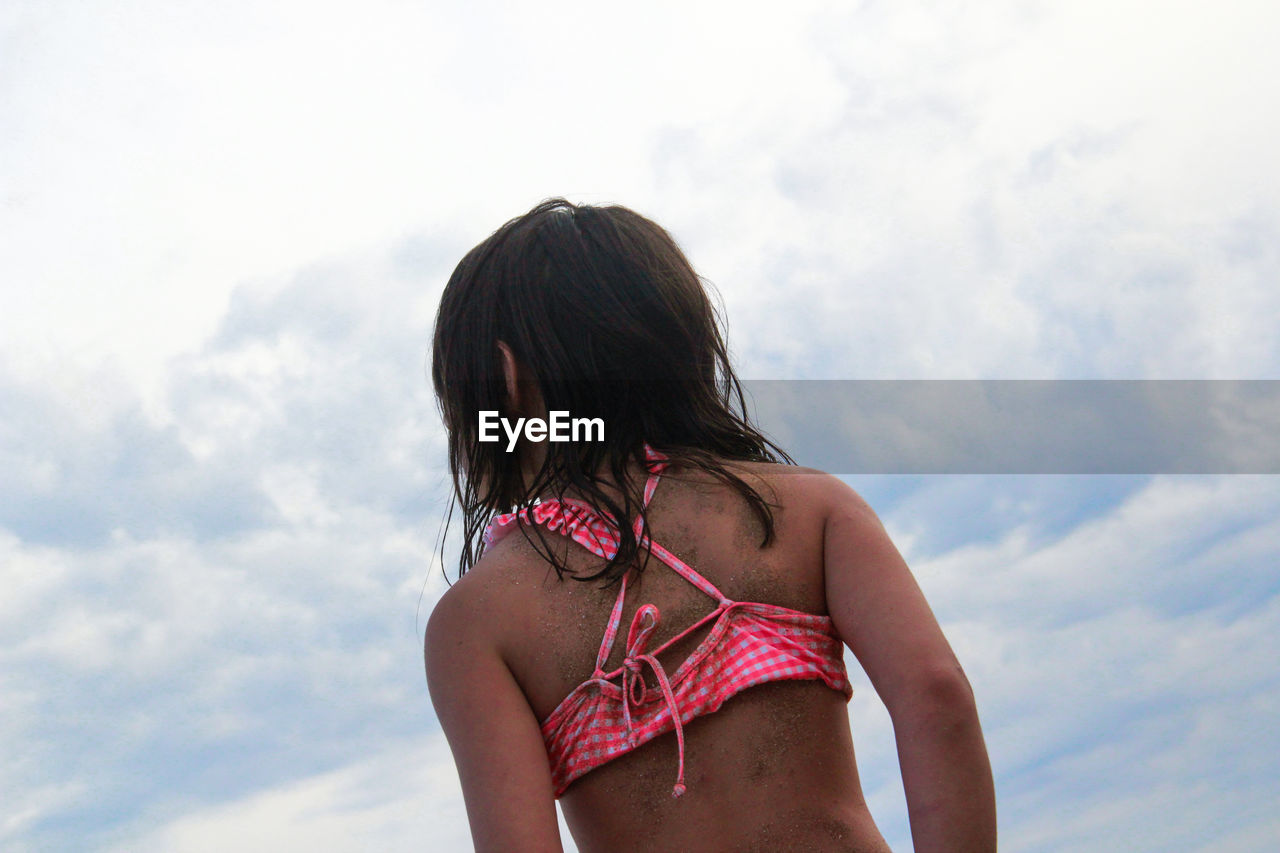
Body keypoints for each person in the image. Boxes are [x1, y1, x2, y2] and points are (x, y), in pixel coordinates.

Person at [424, 198, 996, 852]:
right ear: (680, 343)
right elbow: (938, 696)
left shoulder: (478, 622)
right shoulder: (806, 507)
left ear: (505, 383)